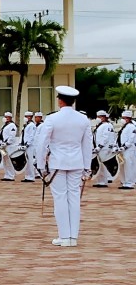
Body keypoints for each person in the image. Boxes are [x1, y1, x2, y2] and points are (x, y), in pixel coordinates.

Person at [35, 85, 92, 247]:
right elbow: (87, 145)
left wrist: (41, 165)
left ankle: (64, 236)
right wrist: (87, 167)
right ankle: (73, 237)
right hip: (76, 163)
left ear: (60, 101)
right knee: (74, 199)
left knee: (60, 198)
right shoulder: (83, 119)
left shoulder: (52, 119)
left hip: (57, 164)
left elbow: (42, 144)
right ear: (73, 102)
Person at [91, 110, 115, 188]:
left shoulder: (107, 125)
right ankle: (100, 181)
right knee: (100, 165)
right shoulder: (100, 125)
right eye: (98, 116)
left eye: (100, 117)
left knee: (103, 165)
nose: (98, 118)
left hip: (103, 148)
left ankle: (103, 181)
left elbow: (106, 138)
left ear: (105, 117)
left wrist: (100, 147)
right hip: (98, 148)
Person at [117, 110, 135, 190]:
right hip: (122, 150)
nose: (123, 119)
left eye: (124, 118)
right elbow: (119, 137)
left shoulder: (132, 127)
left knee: (129, 166)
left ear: (128, 118)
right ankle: (124, 182)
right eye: (122, 118)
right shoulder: (124, 127)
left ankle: (130, 183)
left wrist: (124, 146)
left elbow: (131, 139)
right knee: (122, 166)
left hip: (129, 149)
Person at [0, 111, 18, 181]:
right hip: (3, 146)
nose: (5, 118)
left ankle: (11, 175)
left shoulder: (12, 125)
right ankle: (7, 175)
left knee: (9, 161)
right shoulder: (4, 125)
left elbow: (12, 136)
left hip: (9, 146)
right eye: (5, 117)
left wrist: (7, 143)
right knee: (5, 161)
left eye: (7, 117)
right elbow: (1, 135)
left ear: (10, 118)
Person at [21, 111, 37, 182]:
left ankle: (31, 176)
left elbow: (32, 136)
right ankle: (27, 176)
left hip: (30, 146)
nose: (25, 118)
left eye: (27, 116)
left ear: (30, 117)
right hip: (25, 145)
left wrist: (27, 144)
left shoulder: (32, 125)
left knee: (30, 161)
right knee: (26, 161)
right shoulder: (26, 125)